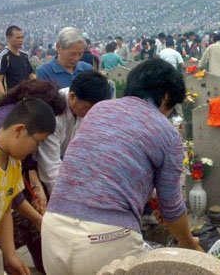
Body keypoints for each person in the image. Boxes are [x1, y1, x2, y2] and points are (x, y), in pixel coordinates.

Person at [41, 59, 202, 275]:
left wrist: (149, 194)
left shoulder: (99, 110)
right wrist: (189, 243)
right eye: (170, 108)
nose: (167, 115)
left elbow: (103, 169)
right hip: (107, 237)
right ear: (165, 96)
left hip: (54, 228)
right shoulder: (167, 132)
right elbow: (171, 207)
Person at [0, 79, 66, 273]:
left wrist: (10, 255)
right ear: (19, 130)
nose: (37, 149)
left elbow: (4, 206)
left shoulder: (13, 161)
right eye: (38, 142)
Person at [37, 70, 110, 194]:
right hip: (37, 167)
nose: (92, 113)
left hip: (63, 160)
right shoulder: (54, 114)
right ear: (72, 96)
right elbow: (50, 170)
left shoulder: (83, 107)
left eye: (96, 109)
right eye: (88, 108)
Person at [0, 26, 35, 95]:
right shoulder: (4, 56)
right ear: (8, 38)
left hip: (27, 95)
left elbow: (31, 75)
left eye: (22, 37)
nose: (20, 40)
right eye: (18, 38)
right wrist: (5, 97)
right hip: (12, 97)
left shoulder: (24, 55)